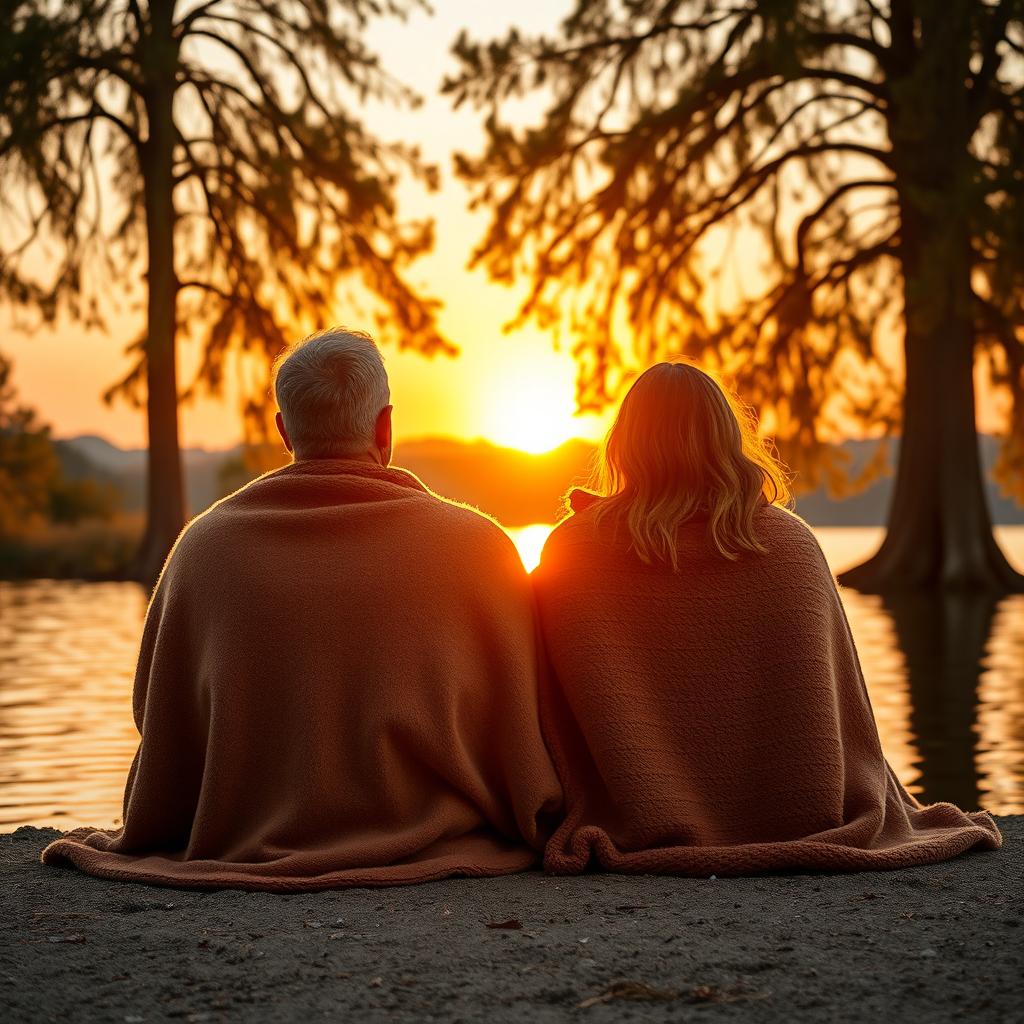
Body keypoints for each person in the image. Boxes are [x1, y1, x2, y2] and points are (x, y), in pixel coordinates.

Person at [43, 328, 561, 890]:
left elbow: (159, 715)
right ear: (385, 427)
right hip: (443, 837)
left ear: (284, 431)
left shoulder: (201, 549)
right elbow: (524, 724)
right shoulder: (481, 549)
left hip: (241, 838)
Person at [533, 361, 1001, 875]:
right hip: (802, 814)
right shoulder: (790, 543)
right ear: (728, 437)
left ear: (624, 443)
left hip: (637, 821)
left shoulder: (571, 551)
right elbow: (846, 720)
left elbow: (545, 712)